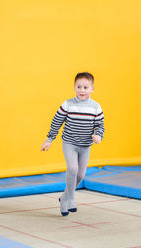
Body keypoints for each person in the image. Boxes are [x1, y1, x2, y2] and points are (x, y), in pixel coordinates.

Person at [41, 72, 105, 216]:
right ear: (74, 87)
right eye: (79, 87)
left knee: (81, 175)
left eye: (86, 87)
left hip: (85, 146)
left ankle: (64, 198)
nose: (82, 90)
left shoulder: (96, 107)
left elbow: (100, 125)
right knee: (73, 168)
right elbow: (56, 121)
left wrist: (98, 136)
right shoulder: (68, 104)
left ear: (92, 89)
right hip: (70, 143)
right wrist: (49, 139)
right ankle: (72, 200)